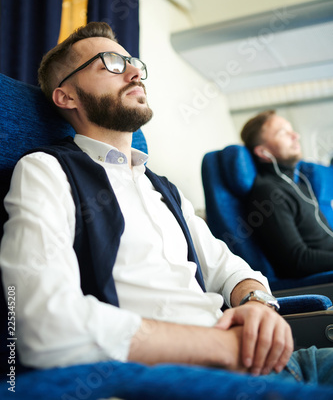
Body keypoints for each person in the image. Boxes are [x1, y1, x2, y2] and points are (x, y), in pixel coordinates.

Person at [0, 23, 332, 387]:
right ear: (67, 97)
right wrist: (223, 345)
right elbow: (44, 325)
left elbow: (228, 267)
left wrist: (255, 303)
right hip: (186, 376)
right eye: (110, 63)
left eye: (132, 62)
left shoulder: (163, 187)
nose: (134, 72)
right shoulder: (46, 170)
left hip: (280, 363)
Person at [240, 110, 333, 278]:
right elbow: (298, 260)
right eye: (283, 133)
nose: (295, 135)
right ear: (263, 152)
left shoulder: (299, 184)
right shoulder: (268, 193)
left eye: (292, 130)